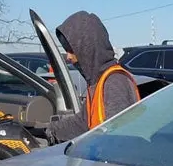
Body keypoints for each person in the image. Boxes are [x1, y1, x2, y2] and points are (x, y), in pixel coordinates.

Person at [46, 11, 140, 144]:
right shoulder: (97, 82)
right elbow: (83, 122)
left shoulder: (114, 82)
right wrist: (53, 129)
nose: (68, 56)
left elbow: (118, 138)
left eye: (71, 50)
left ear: (87, 48)